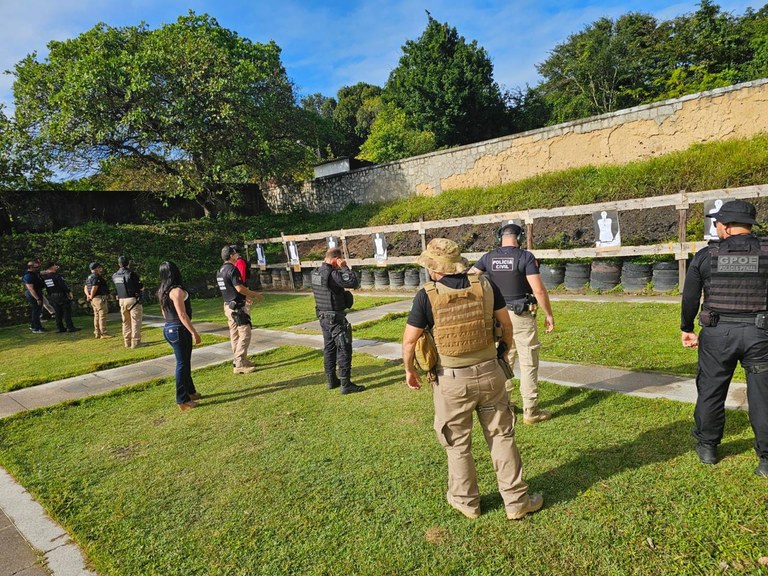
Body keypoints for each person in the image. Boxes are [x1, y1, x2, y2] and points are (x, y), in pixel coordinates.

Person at [402, 238, 543, 520]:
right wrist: (502, 353)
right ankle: (516, 502)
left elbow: (409, 342)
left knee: (457, 444)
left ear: (433, 268)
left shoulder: (425, 295)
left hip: (451, 381)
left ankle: (467, 503)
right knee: (502, 437)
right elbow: (505, 325)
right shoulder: (486, 285)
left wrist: (409, 369)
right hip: (491, 374)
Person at [681, 199, 768, 477]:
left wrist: (686, 328)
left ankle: (707, 447)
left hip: (718, 335)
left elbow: (690, 297)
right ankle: (766, 460)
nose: (716, 227)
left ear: (727, 227)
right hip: (760, 335)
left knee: (711, 389)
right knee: (763, 396)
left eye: (718, 223)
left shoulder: (707, 256)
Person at [469, 223, 555, 424]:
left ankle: (504, 404)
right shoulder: (525, 257)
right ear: (520, 237)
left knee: (504, 358)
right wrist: (549, 314)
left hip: (498, 316)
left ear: (501, 237)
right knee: (528, 361)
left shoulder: (488, 257)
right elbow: (539, 290)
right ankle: (530, 410)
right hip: (521, 315)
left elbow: (470, 277)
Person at [311, 247, 365, 394]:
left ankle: (331, 380)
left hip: (323, 317)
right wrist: (344, 267)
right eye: (339, 260)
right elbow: (353, 282)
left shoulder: (315, 273)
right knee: (344, 348)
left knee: (329, 348)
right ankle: (346, 384)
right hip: (335, 319)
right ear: (335, 259)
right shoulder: (333, 274)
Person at [157, 261, 202, 412]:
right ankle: (182, 399)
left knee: (184, 361)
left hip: (169, 328)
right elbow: (182, 314)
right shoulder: (176, 291)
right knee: (182, 364)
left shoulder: (162, 291)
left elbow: (164, 313)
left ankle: (190, 391)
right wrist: (193, 332)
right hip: (179, 329)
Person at [216, 245, 263, 374]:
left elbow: (230, 288)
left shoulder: (220, 270)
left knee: (235, 334)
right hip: (237, 308)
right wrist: (254, 294)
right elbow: (239, 288)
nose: (237, 255)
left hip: (228, 306)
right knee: (245, 332)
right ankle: (239, 362)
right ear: (231, 255)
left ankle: (240, 359)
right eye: (235, 253)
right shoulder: (233, 269)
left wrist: (245, 297)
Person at [112, 256, 144, 348]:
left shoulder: (115, 275)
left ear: (118, 264)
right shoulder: (131, 274)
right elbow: (140, 287)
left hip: (121, 300)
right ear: (128, 263)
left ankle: (127, 341)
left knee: (125, 322)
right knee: (135, 321)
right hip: (132, 299)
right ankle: (136, 342)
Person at [41, 261, 79, 333]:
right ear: (52, 266)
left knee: (57, 312)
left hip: (52, 295)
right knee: (66, 311)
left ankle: (60, 327)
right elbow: (62, 285)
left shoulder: (45, 278)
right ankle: (69, 327)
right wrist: (68, 292)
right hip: (61, 294)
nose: (56, 267)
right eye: (55, 265)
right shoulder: (56, 276)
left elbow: (47, 288)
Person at [84, 262, 112, 339]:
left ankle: (97, 332)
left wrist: (88, 296)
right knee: (102, 315)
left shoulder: (89, 277)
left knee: (96, 316)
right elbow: (94, 287)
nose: (101, 268)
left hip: (93, 299)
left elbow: (85, 287)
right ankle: (104, 333)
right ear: (96, 268)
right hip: (98, 298)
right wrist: (91, 296)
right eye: (99, 267)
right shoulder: (97, 277)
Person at [22, 260, 46, 334]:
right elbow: (30, 288)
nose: (38, 268)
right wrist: (37, 298)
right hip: (33, 294)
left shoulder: (34, 273)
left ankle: (33, 325)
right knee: (36, 311)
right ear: (31, 267)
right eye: (36, 267)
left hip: (37, 292)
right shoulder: (28, 276)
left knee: (37, 310)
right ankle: (36, 328)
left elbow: (42, 272)